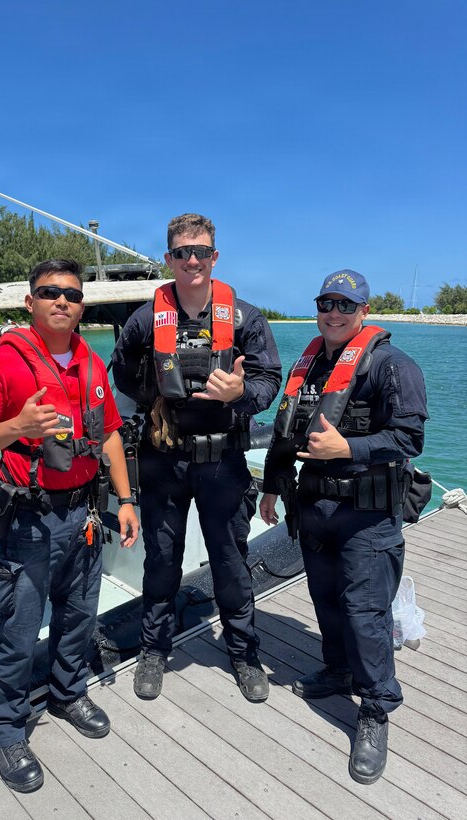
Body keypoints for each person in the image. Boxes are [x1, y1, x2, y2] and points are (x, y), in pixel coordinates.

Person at [0, 259, 139, 793]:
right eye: (49, 292)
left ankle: (66, 692)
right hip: (24, 525)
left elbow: (108, 437)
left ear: (83, 306)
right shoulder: (1, 365)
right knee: (15, 632)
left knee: (78, 617)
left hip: (81, 515)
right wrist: (16, 427)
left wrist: (125, 500)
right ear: (29, 303)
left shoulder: (90, 364)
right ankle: (5, 731)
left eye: (72, 295)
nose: (62, 301)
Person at [259, 269, 428, 785]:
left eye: (345, 305)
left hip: (368, 518)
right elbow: (287, 432)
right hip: (314, 509)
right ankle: (338, 669)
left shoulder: (393, 367)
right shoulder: (310, 365)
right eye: (326, 304)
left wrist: (348, 449)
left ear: (363, 312)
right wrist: (271, 484)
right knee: (326, 601)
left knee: (365, 613)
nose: (334, 313)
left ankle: (376, 709)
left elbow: (408, 439)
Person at [112, 214, 282, 703]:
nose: (192, 260)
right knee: (161, 561)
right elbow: (122, 376)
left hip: (223, 463)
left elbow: (269, 382)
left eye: (201, 251)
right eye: (182, 252)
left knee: (231, 561)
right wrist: (157, 393)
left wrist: (239, 392)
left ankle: (244, 653)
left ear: (215, 257)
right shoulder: (145, 320)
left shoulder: (247, 318)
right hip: (163, 461)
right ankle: (153, 650)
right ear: (168, 258)